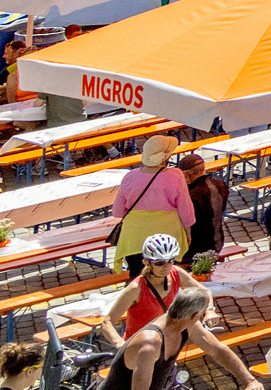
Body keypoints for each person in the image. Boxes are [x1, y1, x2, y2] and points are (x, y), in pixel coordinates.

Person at [112, 286, 260, 390]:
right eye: (203, 314)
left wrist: (249, 381)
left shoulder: (187, 324)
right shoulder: (150, 343)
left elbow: (217, 350)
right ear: (194, 316)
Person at [93, 237, 199, 351]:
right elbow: (107, 322)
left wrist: (210, 311)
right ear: (146, 262)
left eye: (171, 260)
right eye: (159, 263)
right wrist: (120, 344)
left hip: (166, 347)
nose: (167, 266)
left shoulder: (176, 273)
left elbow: (203, 292)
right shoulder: (136, 288)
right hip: (139, 349)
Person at [109, 137, 193, 272]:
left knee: (137, 276)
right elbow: (185, 209)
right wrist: (188, 232)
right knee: (165, 276)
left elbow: (117, 211)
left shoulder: (130, 176)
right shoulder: (175, 175)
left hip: (134, 236)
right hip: (167, 234)